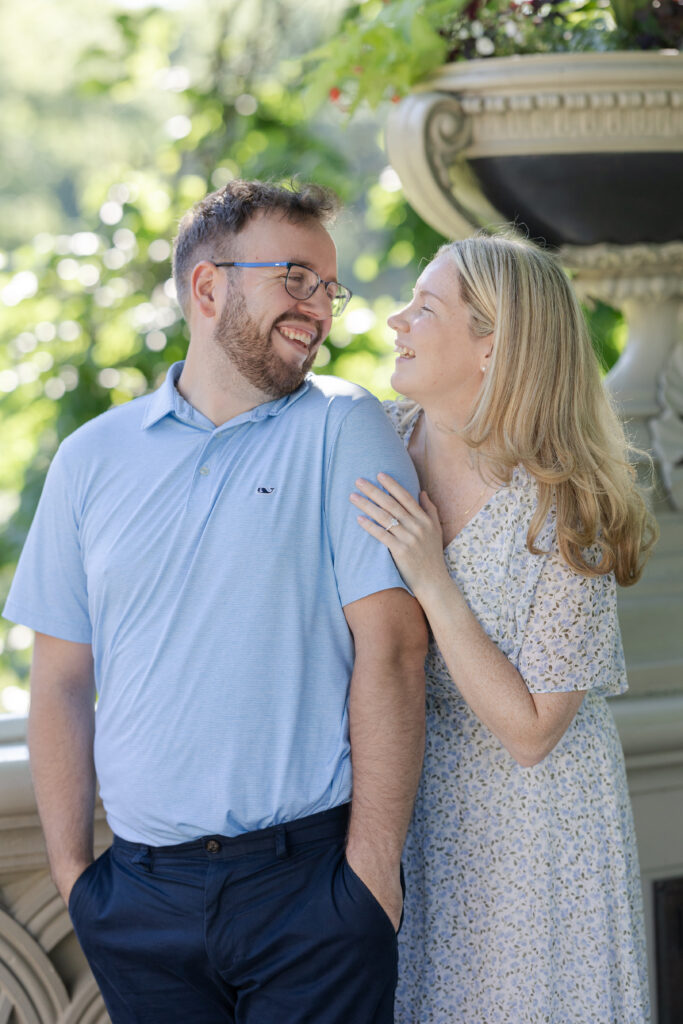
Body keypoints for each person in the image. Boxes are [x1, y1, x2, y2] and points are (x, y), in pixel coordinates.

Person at [3, 179, 428, 1024]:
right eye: (296, 279)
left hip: (307, 891)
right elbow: (58, 681)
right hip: (139, 901)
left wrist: (371, 875)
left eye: (328, 287)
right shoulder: (92, 458)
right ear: (208, 288)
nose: (320, 308)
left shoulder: (344, 425)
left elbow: (393, 650)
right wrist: (77, 881)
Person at [350, 234, 656, 1024]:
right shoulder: (374, 438)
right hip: (412, 800)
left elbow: (531, 732)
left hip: (538, 832)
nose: (395, 321)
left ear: (493, 345)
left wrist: (431, 577)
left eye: (424, 307)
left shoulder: (569, 507)